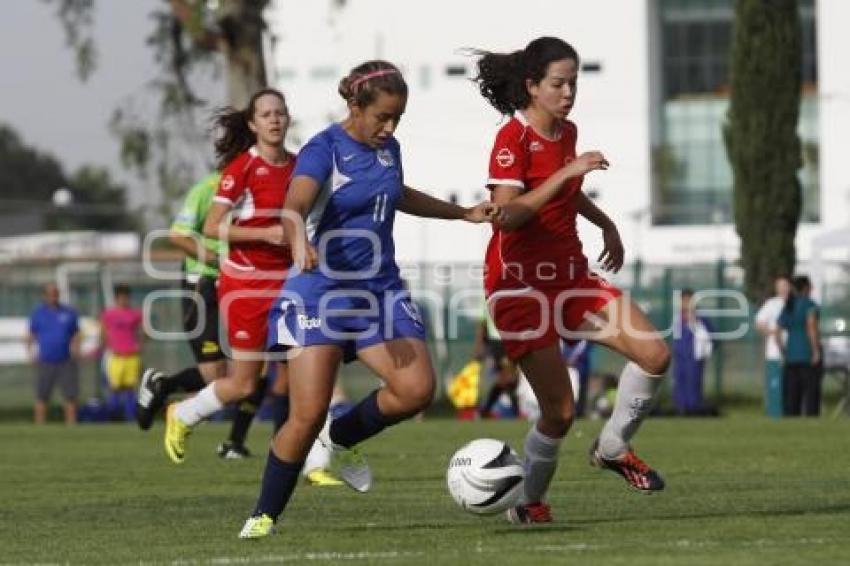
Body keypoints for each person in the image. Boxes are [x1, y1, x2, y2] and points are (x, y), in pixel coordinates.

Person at [238, 60, 498, 539]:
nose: (390, 126)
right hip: (321, 292)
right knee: (307, 412)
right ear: (355, 107)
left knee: (416, 389)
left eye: (397, 117)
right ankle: (264, 515)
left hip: (379, 288)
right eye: (382, 116)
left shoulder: (388, 147)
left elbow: (395, 194)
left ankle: (340, 440)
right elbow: (294, 206)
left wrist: (463, 213)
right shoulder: (324, 150)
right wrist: (297, 240)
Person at [473, 36, 671, 524]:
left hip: (570, 276)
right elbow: (508, 216)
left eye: (573, 83)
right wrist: (566, 175)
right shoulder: (511, 140)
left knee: (655, 353)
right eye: (558, 84)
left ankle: (612, 447)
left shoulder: (566, 132)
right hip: (519, 285)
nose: (568, 93)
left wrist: (603, 221)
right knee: (559, 412)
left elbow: (566, 190)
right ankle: (527, 505)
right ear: (532, 86)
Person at [162, 87, 296, 464]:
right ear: (253, 124)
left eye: (280, 113)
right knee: (245, 383)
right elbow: (213, 227)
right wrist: (264, 234)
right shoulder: (242, 170)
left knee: (304, 375)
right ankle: (182, 412)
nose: (274, 119)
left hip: (290, 285)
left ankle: (313, 461)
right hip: (246, 286)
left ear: (288, 120)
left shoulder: (301, 166)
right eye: (266, 114)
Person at [137, 171, 269, 459]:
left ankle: (235, 442)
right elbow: (177, 234)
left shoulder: (263, 185)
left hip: (247, 284)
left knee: (259, 366)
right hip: (203, 283)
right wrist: (214, 259)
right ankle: (164, 386)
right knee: (216, 373)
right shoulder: (209, 188)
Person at [26, 283, 81, 424]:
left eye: (56, 293)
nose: (53, 296)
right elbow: (31, 334)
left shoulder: (69, 313)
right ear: (44, 296)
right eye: (50, 294)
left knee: (70, 396)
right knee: (42, 396)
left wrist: (76, 349)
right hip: (45, 360)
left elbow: (76, 334)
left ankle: (72, 426)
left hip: (65, 360)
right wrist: (30, 352)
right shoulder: (38, 314)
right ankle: (40, 426)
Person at [778, 275, 822, 416]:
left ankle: (791, 422)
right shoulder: (809, 305)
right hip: (807, 355)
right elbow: (811, 327)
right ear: (806, 288)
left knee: (792, 395)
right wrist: (815, 350)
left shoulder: (789, 305)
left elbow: (777, 333)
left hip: (791, 356)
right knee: (811, 394)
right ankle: (811, 419)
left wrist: (783, 352)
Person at [100, 284, 144, 421]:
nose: (124, 300)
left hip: (131, 355)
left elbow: (143, 331)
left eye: (126, 297)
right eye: (121, 297)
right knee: (115, 387)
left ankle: (130, 417)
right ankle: (112, 416)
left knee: (130, 387)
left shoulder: (135, 314)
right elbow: (103, 331)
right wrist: (108, 346)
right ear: (116, 298)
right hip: (116, 356)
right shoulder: (109, 314)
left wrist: (140, 345)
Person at [671, 289, 713, 416]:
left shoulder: (701, 319)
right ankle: (680, 407)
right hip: (680, 356)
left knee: (694, 381)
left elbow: (710, 335)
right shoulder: (678, 318)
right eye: (684, 300)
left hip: (694, 357)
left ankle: (694, 408)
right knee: (679, 380)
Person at [474, 301, 520, 418]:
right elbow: (482, 321)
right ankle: (516, 412)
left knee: (511, 379)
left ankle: (485, 410)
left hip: (513, 340)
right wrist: (479, 345)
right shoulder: (489, 294)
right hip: (497, 341)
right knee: (509, 377)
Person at [754, 276, 791, 418]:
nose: (784, 288)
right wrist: (772, 332)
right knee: (775, 385)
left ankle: (790, 414)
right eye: (780, 286)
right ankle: (774, 414)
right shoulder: (772, 304)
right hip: (774, 352)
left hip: (792, 352)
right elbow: (759, 322)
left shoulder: (794, 303)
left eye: (786, 285)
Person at [560, 339, 592, 418]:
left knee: (580, 390)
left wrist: (572, 360)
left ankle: (579, 412)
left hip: (580, 368)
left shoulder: (584, 340)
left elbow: (583, 348)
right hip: (567, 367)